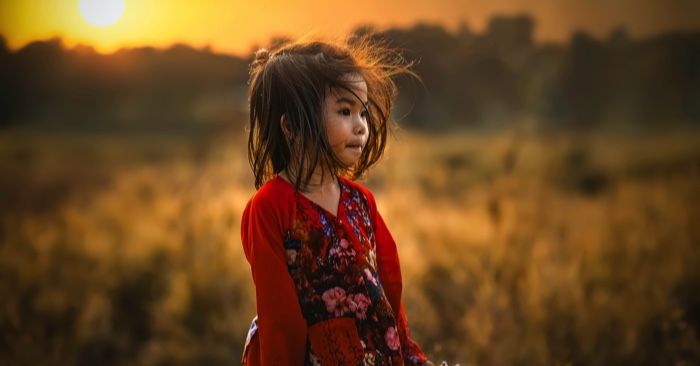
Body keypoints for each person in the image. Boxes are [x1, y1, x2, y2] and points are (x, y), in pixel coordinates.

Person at [240, 36, 433, 365]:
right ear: (293, 126)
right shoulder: (271, 206)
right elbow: (279, 319)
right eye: (345, 111)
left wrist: (412, 357)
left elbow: (388, 295)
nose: (360, 126)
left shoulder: (361, 201)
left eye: (363, 112)